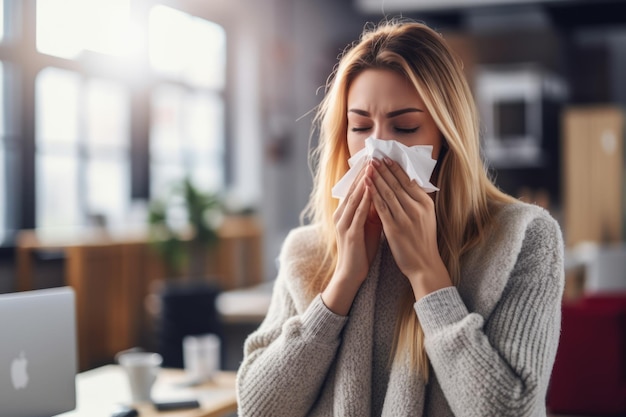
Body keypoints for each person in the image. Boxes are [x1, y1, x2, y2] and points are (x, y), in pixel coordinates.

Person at [236, 19, 564, 417]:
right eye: (360, 126)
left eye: (405, 126)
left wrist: (427, 273)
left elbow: (511, 410)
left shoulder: (524, 239)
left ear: (446, 134)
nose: (378, 148)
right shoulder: (307, 251)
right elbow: (257, 409)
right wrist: (342, 283)